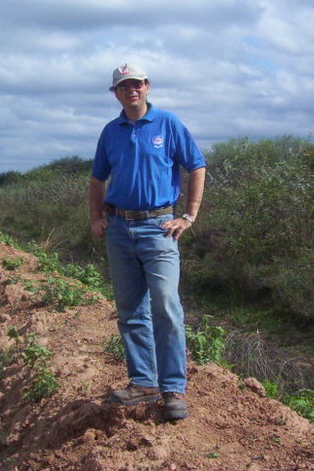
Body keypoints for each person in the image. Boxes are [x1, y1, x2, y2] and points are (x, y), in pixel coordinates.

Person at [89, 62, 206, 421]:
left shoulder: (168, 123)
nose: (131, 90)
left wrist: (188, 215)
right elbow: (97, 180)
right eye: (123, 86)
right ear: (116, 93)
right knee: (130, 310)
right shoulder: (111, 132)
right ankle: (143, 381)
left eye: (136, 84)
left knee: (167, 304)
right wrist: (96, 217)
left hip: (160, 227)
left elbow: (196, 166)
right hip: (120, 230)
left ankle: (173, 388)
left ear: (147, 86)